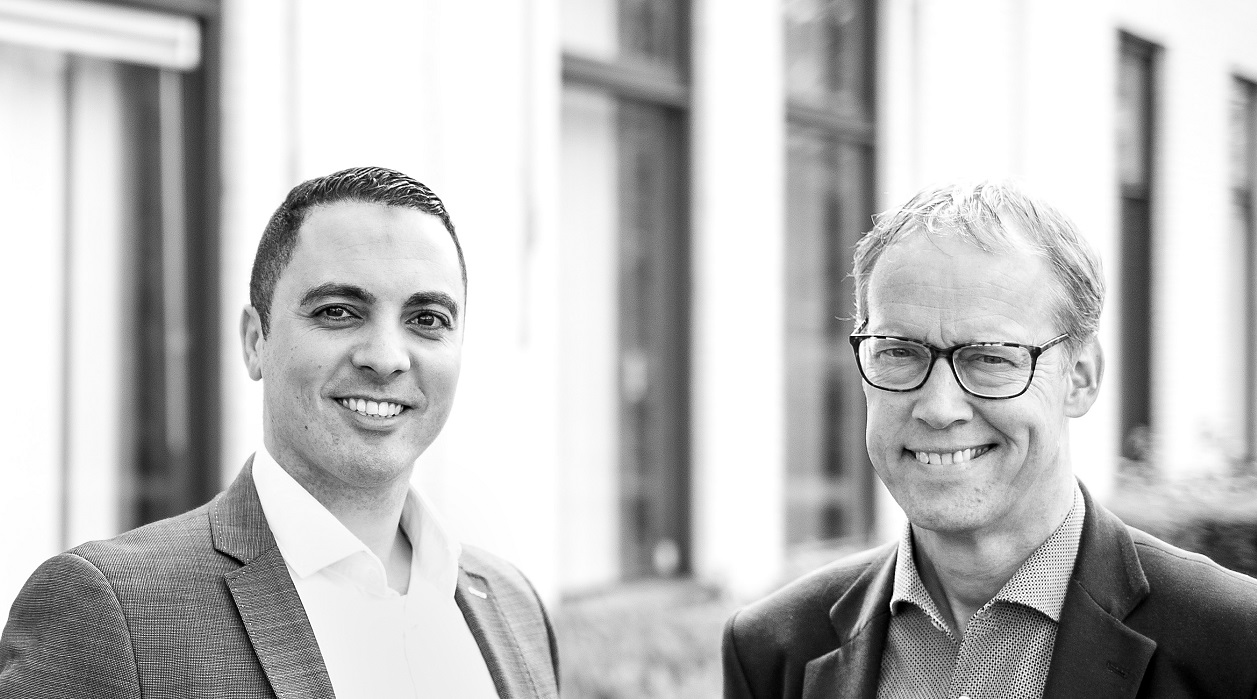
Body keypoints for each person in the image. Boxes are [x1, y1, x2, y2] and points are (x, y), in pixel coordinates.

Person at [0, 166, 560, 698]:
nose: (387, 357)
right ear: (255, 341)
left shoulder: (515, 607)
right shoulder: (111, 611)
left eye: (427, 320)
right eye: (339, 311)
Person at [722, 181, 1257, 698]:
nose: (938, 408)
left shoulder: (1237, 648)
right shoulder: (772, 651)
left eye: (990, 358)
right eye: (899, 352)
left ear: (1081, 377)